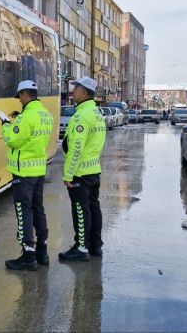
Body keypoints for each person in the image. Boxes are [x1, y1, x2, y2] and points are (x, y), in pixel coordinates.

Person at [1, 80, 54, 271]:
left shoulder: (26, 117)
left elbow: (12, 140)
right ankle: (42, 252)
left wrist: (6, 125)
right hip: (38, 169)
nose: (19, 102)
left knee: (24, 212)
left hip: (23, 172)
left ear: (24, 94)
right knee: (38, 209)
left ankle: (28, 256)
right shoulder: (46, 114)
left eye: (19, 98)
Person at [59, 76, 107, 262]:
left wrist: (68, 174)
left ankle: (81, 248)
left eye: (77, 88)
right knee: (93, 208)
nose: (73, 90)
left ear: (85, 92)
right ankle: (95, 245)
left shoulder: (81, 115)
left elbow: (75, 148)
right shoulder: (96, 113)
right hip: (93, 169)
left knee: (80, 209)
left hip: (80, 172)